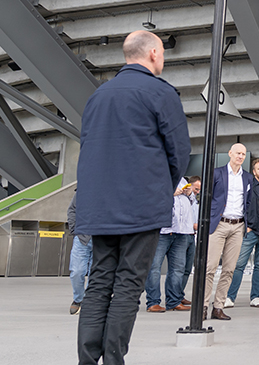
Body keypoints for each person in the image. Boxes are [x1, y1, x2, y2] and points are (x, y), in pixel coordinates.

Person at [76, 31, 190, 365]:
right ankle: (113, 360)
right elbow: (179, 151)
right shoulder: (160, 92)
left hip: (100, 206)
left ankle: (86, 360)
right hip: (141, 206)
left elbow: (88, 147)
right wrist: (163, 187)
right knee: (128, 283)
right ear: (154, 53)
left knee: (98, 282)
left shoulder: (98, 95)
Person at [201, 143, 253, 321]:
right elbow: (207, 198)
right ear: (230, 153)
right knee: (209, 268)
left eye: (243, 154)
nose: (240, 156)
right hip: (219, 224)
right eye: (238, 153)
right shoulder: (217, 173)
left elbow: (248, 201)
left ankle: (218, 307)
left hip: (238, 226)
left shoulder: (247, 177)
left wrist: (247, 223)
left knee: (229, 269)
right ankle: (203, 306)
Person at [226, 157, 259, 308]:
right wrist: (245, 225)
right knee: (239, 264)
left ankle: (255, 297)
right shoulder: (246, 186)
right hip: (249, 232)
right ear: (254, 172)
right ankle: (229, 297)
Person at [143, 178, 195, 312]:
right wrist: (169, 193)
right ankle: (153, 302)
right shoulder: (156, 176)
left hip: (181, 231)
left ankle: (174, 301)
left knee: (178, 269)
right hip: (162, 231)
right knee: (154, 268)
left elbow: (192, 202)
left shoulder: (182, 180)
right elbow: (147, 197)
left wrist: (189, 193)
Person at [67, 191, 91, 315]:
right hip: (82, 237)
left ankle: (90, 301)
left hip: (103, 239)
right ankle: (78, 299)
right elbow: (72, 210)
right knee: (76, 271)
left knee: (96, 274)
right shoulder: (82, 190)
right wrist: (74, 230)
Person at [177, 177, 201, 307]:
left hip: (192, 235)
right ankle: (174, 296)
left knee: (187, 268)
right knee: (179, 268)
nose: (197, 191)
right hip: (183, 233)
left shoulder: (194, 201)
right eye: (196, 188)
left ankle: (179, 295)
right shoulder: (181, 197)